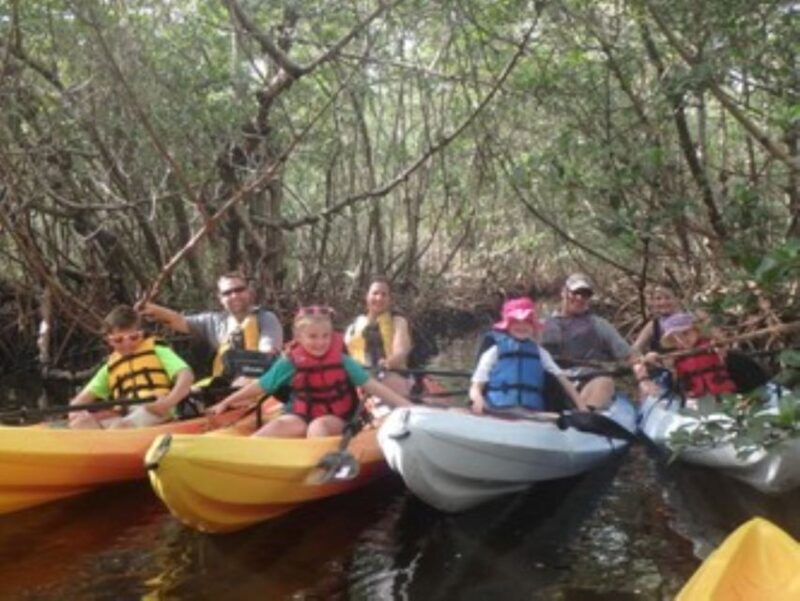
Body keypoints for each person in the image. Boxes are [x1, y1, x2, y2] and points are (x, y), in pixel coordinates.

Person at [208, 305, 412, 438]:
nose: (320, 342)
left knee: (317, 429)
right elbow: (260, 385)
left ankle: (314, 472)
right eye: (313, 336)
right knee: (266, 434)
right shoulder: (290, 362)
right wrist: (226, 402)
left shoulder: (342, 361)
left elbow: (373, 386)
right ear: (299, 337)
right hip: (301, 414)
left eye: (325, 336)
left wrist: (407, 406)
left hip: (337, 417)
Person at [138, 271, 283, 381]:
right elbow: (178, 320)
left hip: (257, 383)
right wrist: (151, 309)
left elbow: (267, 356)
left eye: (239, 290)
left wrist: (248, 380)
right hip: (224, 386)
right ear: (220, 299)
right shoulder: (213, 321)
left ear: (249, 292)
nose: (234, 296)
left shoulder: (266, 318)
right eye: (227, 293)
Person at [69, 305, 194, 429]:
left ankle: (111, 443)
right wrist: (77, 412)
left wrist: (168, 402)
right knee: (81, 424)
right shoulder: (110, 366)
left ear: (142, 333)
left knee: (120, 426)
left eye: (134, 337)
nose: (127, 344)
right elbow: (79, 401)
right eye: (118, 340)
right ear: (109, 340)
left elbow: (186, 375)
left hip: (155, 409)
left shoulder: (157, 350)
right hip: (124, 414)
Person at [470, 297, 581, 415]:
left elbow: (563, 380)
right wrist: (478, 400)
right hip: (497, 410)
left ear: (533, 326)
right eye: (516, 322)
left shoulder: (540, 353)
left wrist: (582, 407)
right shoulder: (494, 351)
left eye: (527, 321)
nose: (522, 326)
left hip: (532, 413)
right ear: (507, 325)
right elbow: (475, 387)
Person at [540, 273, 631, 409]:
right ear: (564, 293)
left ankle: (585, 418)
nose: (579, 298)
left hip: (589, 379)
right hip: (554, 380)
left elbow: (629, 355)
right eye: (575, 293)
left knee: (604, 382)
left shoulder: (599, 325)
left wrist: (643, 379)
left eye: (585, 295)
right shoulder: (542, 325)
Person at [634, 312, 738, 401]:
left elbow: (723, 345)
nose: (682, 340)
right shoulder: (675, 357)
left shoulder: (711, 345)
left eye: (685, 333)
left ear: (696, 331)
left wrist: (718, 345)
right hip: (695, 398)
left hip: (724, 393)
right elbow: (658, 362)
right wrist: (651, 356)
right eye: (675, 338)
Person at [344, 277, 413, 394]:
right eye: (375, 293)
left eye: (384, 294)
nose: (379, 298)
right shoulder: (354, 326)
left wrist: (387, 364)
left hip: (391, 376)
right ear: (367, 297)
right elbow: (344, 354)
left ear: (390, 299)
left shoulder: (398, 321)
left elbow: (401, 352)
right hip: (362, 378)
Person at [631, 281, 682, 356]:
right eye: (658, 299)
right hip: (663, 365)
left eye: (667, 298)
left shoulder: (688, 320)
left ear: (676, 299)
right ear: (653, 302)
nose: (663, 302)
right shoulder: (653, 325)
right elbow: (636, 348)